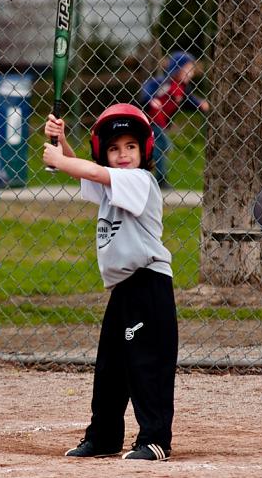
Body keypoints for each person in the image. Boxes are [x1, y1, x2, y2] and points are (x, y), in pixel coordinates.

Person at [43, 103, 178, 461]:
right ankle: (103, 436)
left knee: (145, 366)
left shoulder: (140, 181)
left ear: (144, 150)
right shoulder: (111, 184)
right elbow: (86, 174)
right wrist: (61, 143)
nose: (122, 155)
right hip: (124, 290)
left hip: (148, 285)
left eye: (130, 146)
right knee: (110, 369)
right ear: (104, 152)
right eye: (114, 148)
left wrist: (58, 159)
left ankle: (154, 439)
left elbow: (90, 172)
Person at [140, 51, 209, 189]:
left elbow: (190, 101)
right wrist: (151, 99)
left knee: (161, 147)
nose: (191, 73)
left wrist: (201, 105)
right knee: (163, 145)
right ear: (177, 69)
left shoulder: (182, 88)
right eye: (188, 69)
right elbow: (148, 88)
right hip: (150, 120)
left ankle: (147, 170)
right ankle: (160, 179)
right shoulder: (166, 83)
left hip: (161, 123)